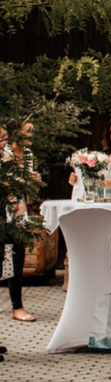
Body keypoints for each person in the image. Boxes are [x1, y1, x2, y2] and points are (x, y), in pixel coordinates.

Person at [2, 124, 39, 324]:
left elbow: (23, 185)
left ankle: (17, 307)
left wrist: (32, 180)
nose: (31, 136)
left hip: (18, 209)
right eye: (28, 131)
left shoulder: (27, 154)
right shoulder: (5, 153)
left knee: (17, 255)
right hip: (5, 208)